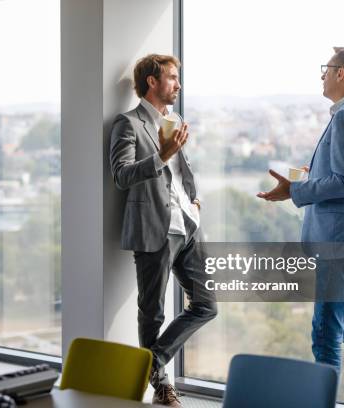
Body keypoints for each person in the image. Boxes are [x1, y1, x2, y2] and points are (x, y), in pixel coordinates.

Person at [257, 46, 344, 408]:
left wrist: (294, 190)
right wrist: (316, 178)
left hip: (341, 244)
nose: (322, 75)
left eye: (326, 68)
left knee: (326, 335)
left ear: (342, 73)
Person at [109, 54, 217, 407]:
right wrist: (161, 155)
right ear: (152, 82)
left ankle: (149, 362)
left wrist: (195, 200)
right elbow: (121, 175)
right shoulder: (128, 124)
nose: (178, 85)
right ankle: (162, 386)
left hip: (187, 226)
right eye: (172, 77)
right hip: (153, 227)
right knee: (152, 312)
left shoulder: (175, 119)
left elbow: (184, 170)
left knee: (207, 304)